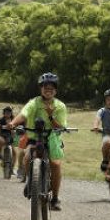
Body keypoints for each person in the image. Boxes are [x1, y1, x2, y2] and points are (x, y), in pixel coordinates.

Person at [9, 72, 68, 210]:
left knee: (55, 164)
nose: (48, 90)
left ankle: (55, 198)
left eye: (51, 88)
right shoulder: (33, 103)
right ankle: (32, 181)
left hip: (52, 138)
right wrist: (13, 123)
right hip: (34, 137)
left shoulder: (60, 106)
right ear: (40, 89)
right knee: (27, 155)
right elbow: (23, 115)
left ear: (56, 90)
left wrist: (50, 115)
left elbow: (60, 126)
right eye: (45, 87)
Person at [0, 106, 19, 174]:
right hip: (3, 136)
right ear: (4, 113)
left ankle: (12, 169)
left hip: (12, 137)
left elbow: (18, 126)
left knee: (15, 153)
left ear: (11, 113)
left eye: (9, 112)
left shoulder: (14, 119)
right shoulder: (1, 120)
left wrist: (17, 130)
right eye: (6, 112)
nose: (8, 113)